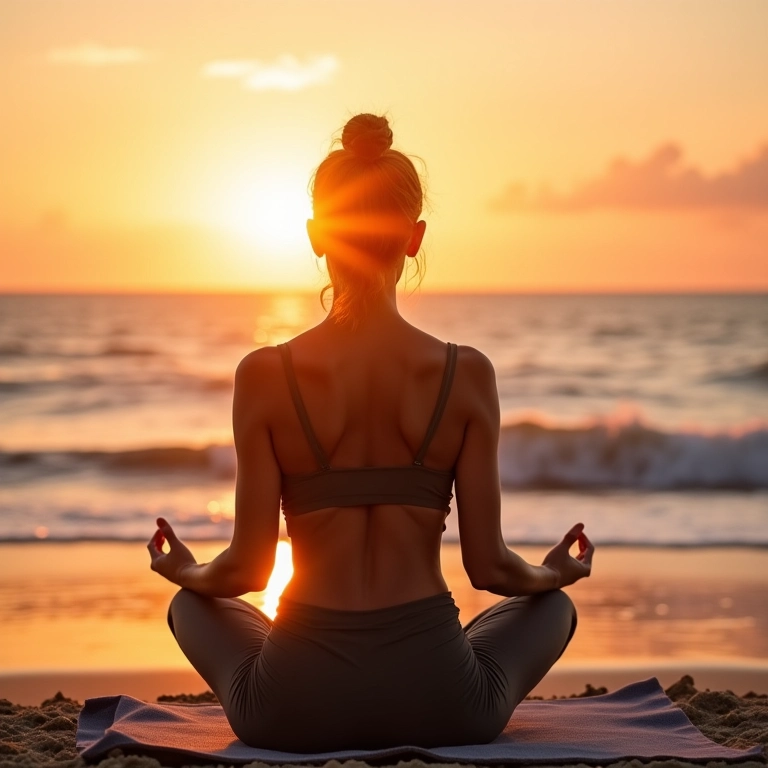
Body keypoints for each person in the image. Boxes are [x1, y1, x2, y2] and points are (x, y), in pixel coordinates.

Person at [147, 113, 594, 752]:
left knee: (192, 605)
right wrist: (554, 575)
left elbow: (248, 568)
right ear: (414, 238)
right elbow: (490, 567)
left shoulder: (264, 374)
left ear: (315, 236)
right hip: (443, 703)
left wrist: (185, 571)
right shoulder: (465, 374)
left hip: (291, 710)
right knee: (552, 609)